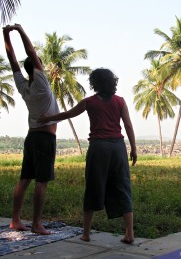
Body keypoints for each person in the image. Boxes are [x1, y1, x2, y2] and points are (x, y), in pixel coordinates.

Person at [38, 68, 137, 244]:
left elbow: (67, 114)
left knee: (93, 186)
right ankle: (129, 233)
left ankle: (86, 234)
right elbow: (128, 126)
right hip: (118, 147)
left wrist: (47, 118)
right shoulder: (120, 101)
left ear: (94, 83)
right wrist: (134, 149)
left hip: (98, 148)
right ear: (112, 82)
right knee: (123, 187)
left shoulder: (89, 102)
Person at [3, 24, 60, 235]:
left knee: (24, 179)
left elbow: (13, 62)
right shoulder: (42, 84)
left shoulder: (23, 86)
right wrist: (19, 30)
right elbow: (31, 53)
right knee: (41, 181)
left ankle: (15, 220)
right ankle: (36, 224)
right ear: (38, 68)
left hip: (31, 137)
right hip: (44, 139)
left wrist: (5, 35)